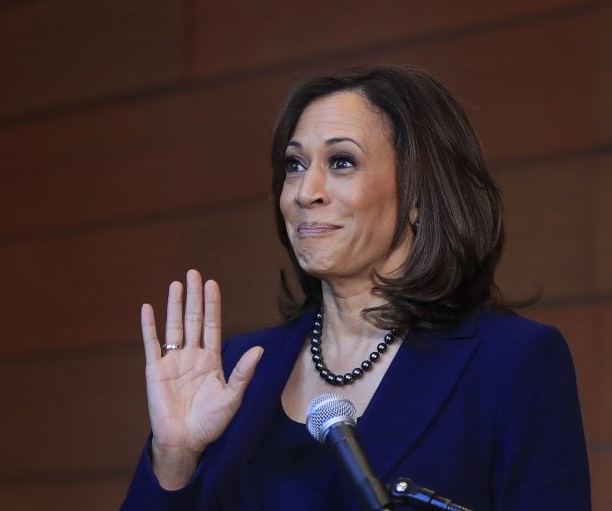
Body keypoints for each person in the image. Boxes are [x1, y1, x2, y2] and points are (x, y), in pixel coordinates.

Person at [120, 65, 591, 510]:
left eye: (341, 161)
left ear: (418, 196)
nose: (306, 192)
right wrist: (175, 456)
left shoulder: (511, 362)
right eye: (295, 165)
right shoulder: (232, 373)